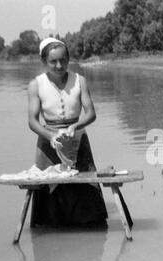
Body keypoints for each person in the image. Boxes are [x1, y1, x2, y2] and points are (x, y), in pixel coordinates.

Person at [28, 37, 107, 227]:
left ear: (68, 59)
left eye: (63, 60)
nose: (58, 65)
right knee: (49, 188)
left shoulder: (80, 81)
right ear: (44, 62)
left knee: (85, 184)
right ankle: (50, 230)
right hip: (48, 141)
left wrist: (75, 127)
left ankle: (89, 226)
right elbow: (32, 121)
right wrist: (50, 136)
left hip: (77, 136)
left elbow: (91, 113)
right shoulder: (35, 85)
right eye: (53, 61)